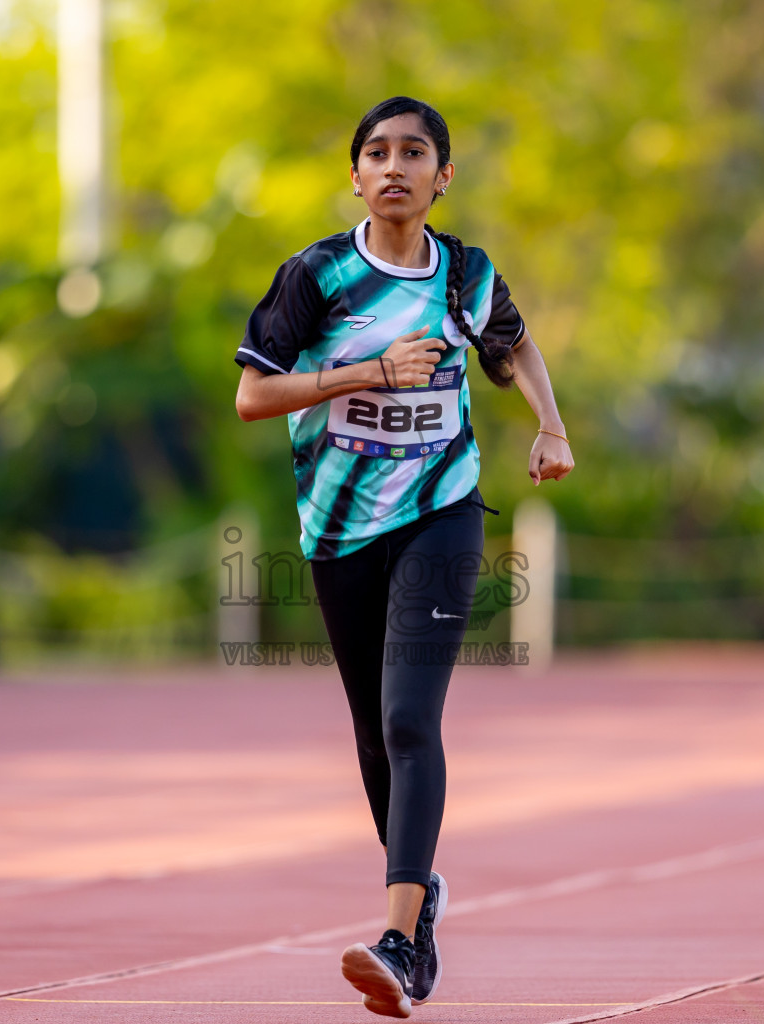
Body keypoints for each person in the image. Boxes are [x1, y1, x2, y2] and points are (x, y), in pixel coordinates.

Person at [234, 96, 572, 1018]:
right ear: (356, 175)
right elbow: (254, 400)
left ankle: (398, 938)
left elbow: (515, 344)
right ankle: (421, 913)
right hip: (339, 530)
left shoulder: (465, 273)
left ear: (442, 176)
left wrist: (550, 425)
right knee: (372, 737)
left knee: (410, 719)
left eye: (413, 153)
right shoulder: (317, 276)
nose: (394, 166)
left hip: (442, 515)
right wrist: (366, 374)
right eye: (376, 153)